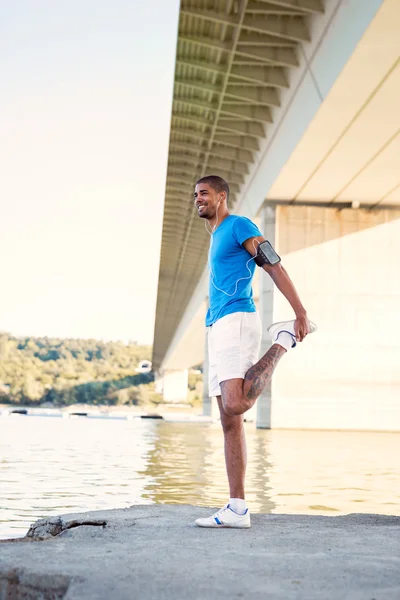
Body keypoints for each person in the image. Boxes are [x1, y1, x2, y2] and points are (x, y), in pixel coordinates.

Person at [193, 175, 316, 529]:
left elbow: (274, 264)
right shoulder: (216, 234)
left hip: (237, 319)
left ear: (221, 196)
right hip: (217, 326)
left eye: (204, 194)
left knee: (235, 403)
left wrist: (299, 313)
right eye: (195, 195)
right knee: (229, 422)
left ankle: (282, 341)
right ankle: (237, 509)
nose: (198, 199)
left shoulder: (238, 225)